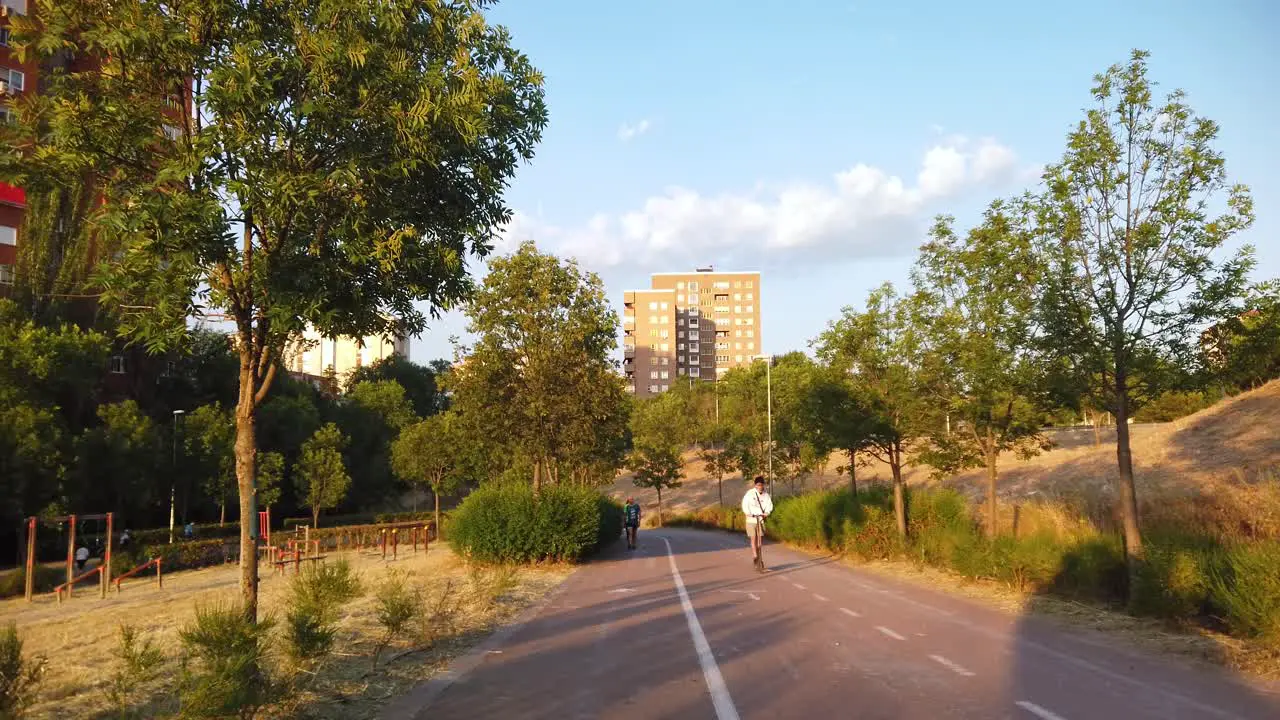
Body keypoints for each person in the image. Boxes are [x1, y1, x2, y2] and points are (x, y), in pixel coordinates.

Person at [741, 476, 773, 572]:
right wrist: (748, 513)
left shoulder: (766, 495)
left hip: (760, 519)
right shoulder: (749, 494)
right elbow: (745, 504)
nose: (760, 486)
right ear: (755, 485)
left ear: (763, 485)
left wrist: (766, 513)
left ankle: (760, 559)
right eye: (758, 485)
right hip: (751, 520)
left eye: (761, 485)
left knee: (760, 541)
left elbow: (769, 506)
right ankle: (755, 557)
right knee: (753, 539)